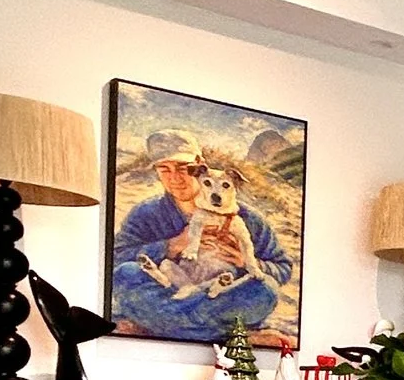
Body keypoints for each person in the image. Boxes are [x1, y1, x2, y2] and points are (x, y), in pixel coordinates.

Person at [110, 130, 293, 342]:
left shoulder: (246, 218)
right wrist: (170, 246)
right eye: (164, 169)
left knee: (266, 289)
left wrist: (245, 262)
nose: (175, 178)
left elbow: (283, 268)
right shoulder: (146, 213)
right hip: (175, 289)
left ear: (199, 165)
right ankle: (217, 334)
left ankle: (167, 324)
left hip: (219, 293)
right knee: (126, 273)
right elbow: (117, 258)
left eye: (182, 168)